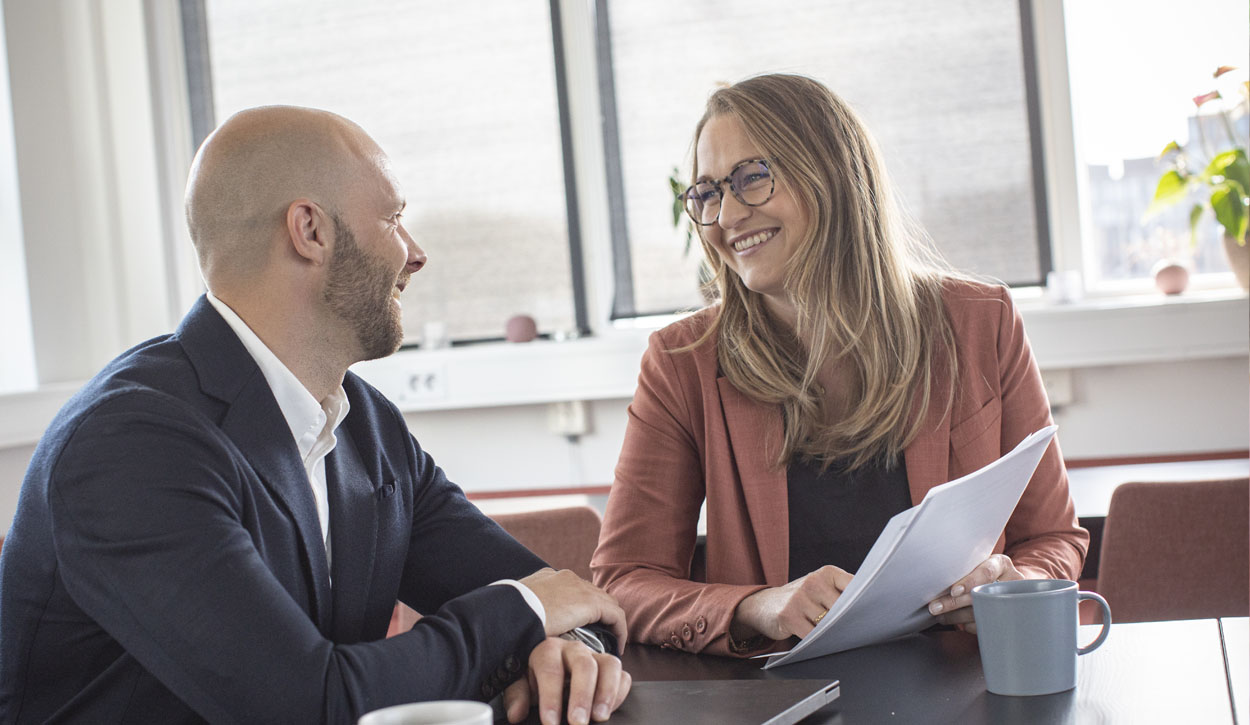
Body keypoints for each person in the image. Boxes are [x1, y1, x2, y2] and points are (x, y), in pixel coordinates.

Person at [0, 106, 630, 724]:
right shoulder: (132, 443)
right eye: (394, 219)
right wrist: (523, 612)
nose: (416, 253)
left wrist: (571, 652)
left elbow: (566, 598)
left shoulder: (366, 426)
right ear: (310, 231)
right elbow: (306, 705)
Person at [590, 74, 1089, 656]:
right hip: (782, 698)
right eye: (705, 193)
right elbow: (623, 582)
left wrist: (1014, 587)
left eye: (751, 178)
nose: (726, 215)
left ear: (833, 175)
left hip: (965, 680)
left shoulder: (982, 321)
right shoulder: (683, 363)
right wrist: (756, 606)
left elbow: (1052, 538)